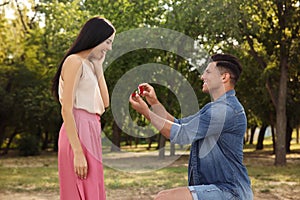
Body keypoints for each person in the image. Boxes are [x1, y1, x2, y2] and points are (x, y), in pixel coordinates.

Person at [129, 54, 253, 200]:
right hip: (216, 189)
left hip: (230, 192)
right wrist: (154, 103)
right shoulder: (214, 108)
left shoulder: (225, 110)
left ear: (224, 77)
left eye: (208, 72)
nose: (202, 76)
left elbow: (180, 134)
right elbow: (179, 124)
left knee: (164, 198)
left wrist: (146, 113)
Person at [52, 17, 115, 200]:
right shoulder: (74, 61)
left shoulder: (90, 64)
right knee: (78, 191)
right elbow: (66, 109)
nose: (109, 48)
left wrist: (98, 67)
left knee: (93, 190)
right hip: (77, 130)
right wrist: (78, 152)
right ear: (96, 37)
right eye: (108, 42)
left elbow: (105, 102)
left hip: (92, 128)